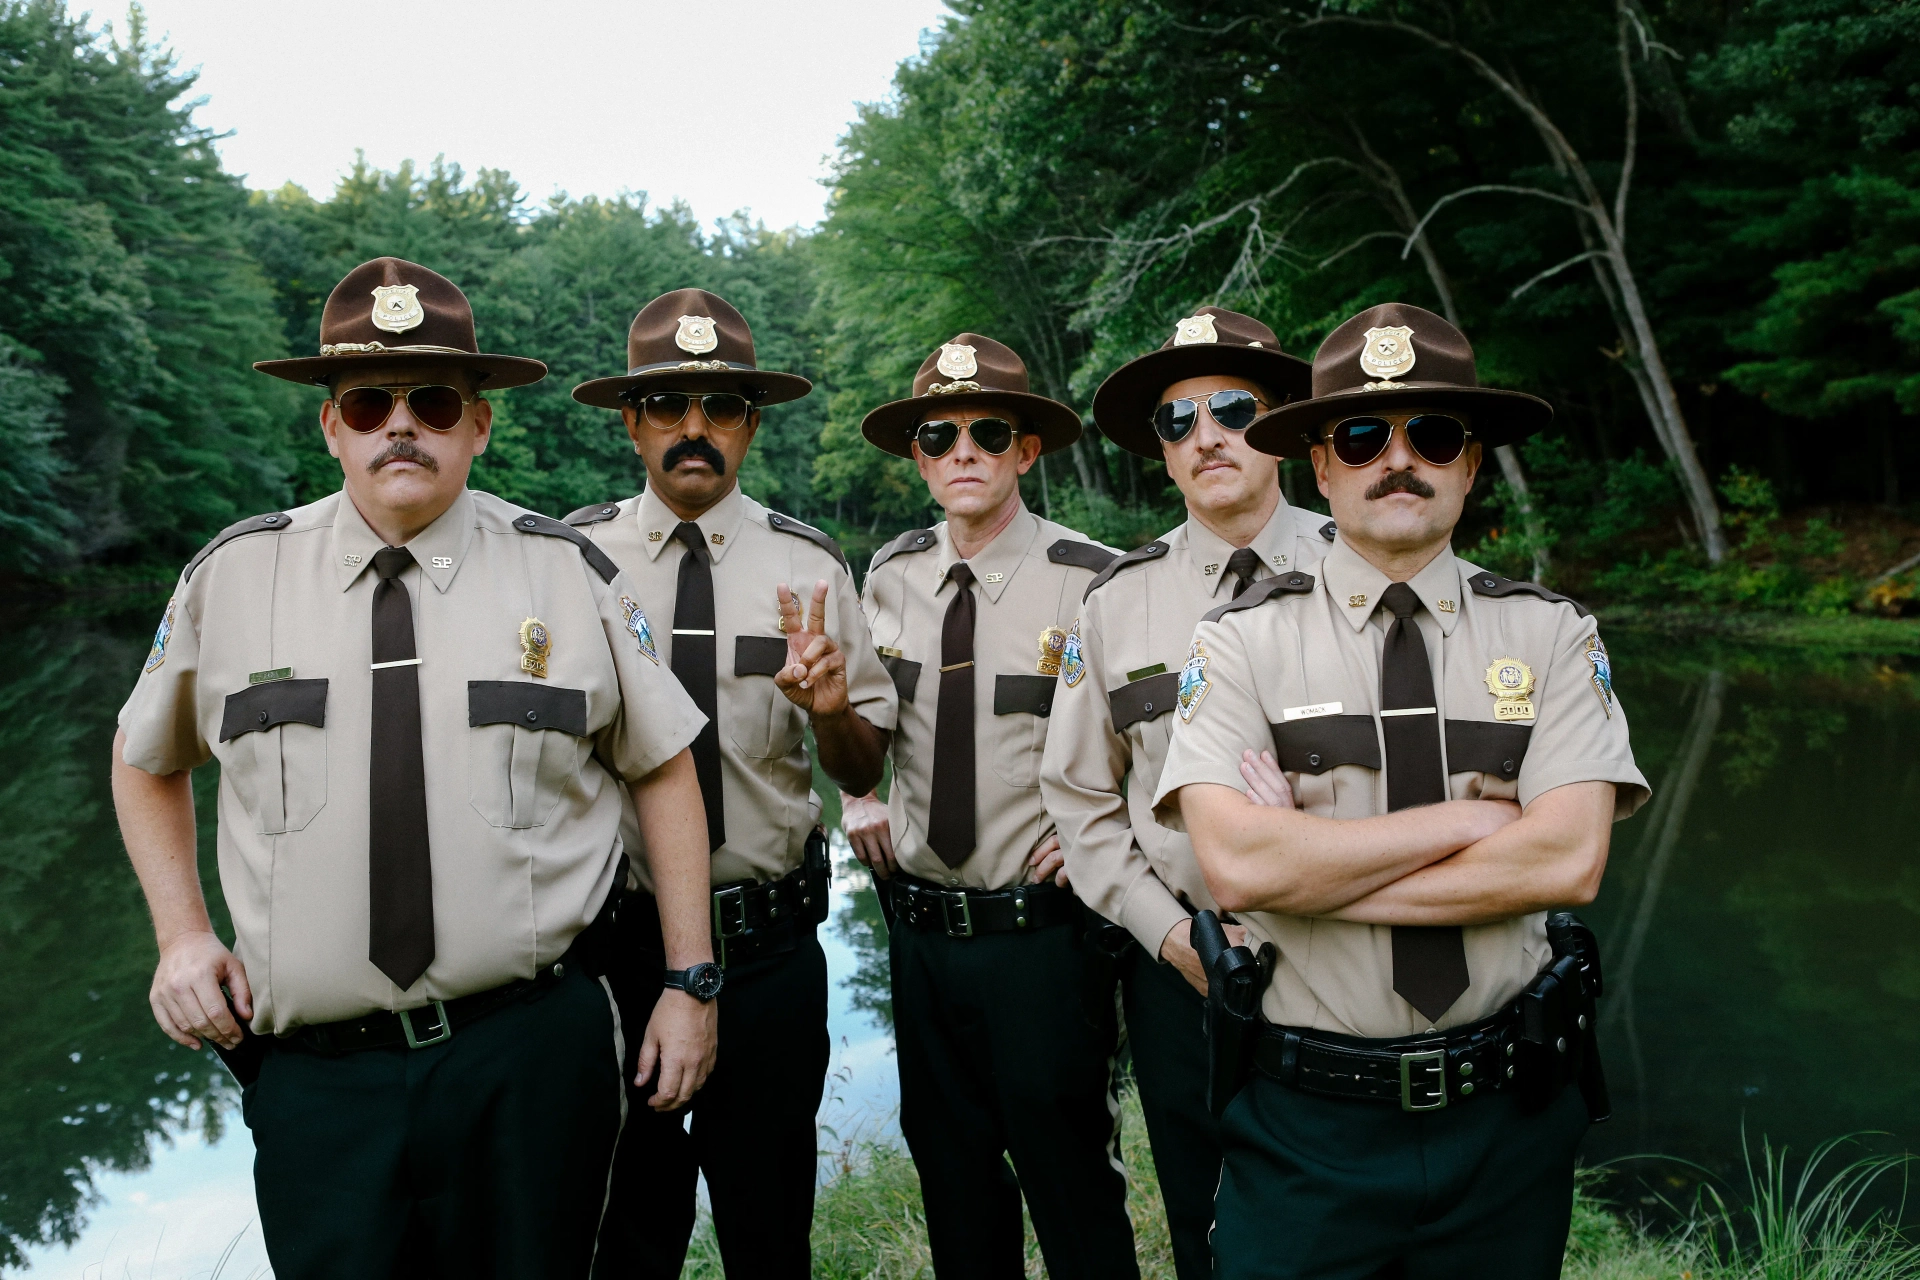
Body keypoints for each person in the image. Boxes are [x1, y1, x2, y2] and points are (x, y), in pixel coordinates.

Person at [110, 258, 717, 1280]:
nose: (404, 423)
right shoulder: (232, 576)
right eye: (370, 400)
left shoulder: (566, 572)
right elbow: (144, 760)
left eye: (433, 401)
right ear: (332, 426)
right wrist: (181, 937)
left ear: (478, 424)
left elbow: (662, 768)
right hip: (315, 1077)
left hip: (526, 1054)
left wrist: (689, 981)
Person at [1150, 302, 1648, 1279]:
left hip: (1506, 1121)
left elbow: (1569, 857)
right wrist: (1472, 822)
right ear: (1324, 465)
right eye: (1365, 434)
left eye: (1434, 433)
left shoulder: (1551, 634)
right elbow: (1234, 862)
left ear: (1470, 462)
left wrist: (1310, 870)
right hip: (1306, 1130)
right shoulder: (1240, 639)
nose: (1399, 458)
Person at [566, 289, 897, 1278]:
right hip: (618, 955)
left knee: (769, 1230)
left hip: (769, 953)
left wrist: (834, 706)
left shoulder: (810, 563)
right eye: (668, 406)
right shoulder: (569, 562)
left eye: (719, 407)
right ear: (633, 422)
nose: (694, 430)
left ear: (751, 423)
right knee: (628, 1235)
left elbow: (861, 765)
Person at [840, 335, 1138, 1279]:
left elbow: (1161, 738)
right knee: (955, 1190)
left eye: (987, 431)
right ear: (919, 456)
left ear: (1026, 450)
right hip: (924, 937)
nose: (962, 451)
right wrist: (856, 791)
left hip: (1047, 940)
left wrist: (1111, 829)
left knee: (1074, 1189)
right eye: (940, 434)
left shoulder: (1096, 579)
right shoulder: (886, 576)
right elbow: (872, 729)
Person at [1041, 307, 1317, 1279]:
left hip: (1351, 968)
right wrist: (1170, 938)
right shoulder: (1116, 601)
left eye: (1233, 407)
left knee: (1347, 1221)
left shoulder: (1365, 567)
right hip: (1182, 975)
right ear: (1161, 453)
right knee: (1207, 1227)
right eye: (1176, 419)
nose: (1206, 433)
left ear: (1280, 419)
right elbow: (1080, 802)